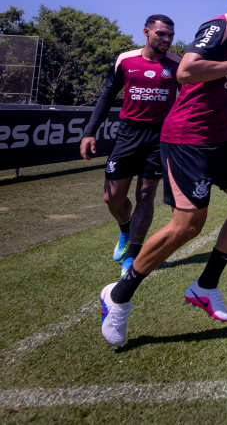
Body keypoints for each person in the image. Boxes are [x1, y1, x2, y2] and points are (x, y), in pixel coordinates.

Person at [100, 0, 227, 346]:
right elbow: (186, 71)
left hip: (224, 137)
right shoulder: (219, 28)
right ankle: (118, 296)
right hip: (189, 138)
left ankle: (206, 285)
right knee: (188, 225)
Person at [81, 15, 180, 276]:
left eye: (170, 35)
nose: (166, 39)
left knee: (146, 194)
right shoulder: (125, 60)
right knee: (111, 196)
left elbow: (195, 93)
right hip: (128, 134)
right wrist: (89, 132)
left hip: (160, 137)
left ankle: (133, 255)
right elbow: (107, 97)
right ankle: (125, 230)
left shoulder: (177, 64)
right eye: (161, 34)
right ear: (146, 32)